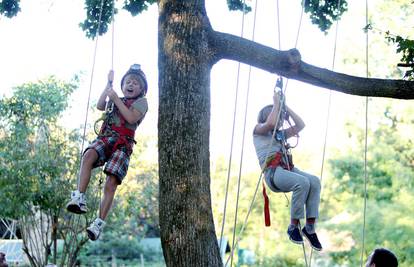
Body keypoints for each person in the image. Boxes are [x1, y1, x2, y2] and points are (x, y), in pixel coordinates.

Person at [66, 64, 149, 241]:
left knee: (111, 182)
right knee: (88, 155)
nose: (131, 85)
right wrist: (108, 84)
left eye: (135, 83)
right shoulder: (115, 98)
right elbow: (100, 105)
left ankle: (98, 224)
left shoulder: (141, 103)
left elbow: (131, 117)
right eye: (128, 82)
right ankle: (79, 196)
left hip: (122, 144)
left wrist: (116, 99)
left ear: (141, 89)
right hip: (106, 137)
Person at [252, 90, 322, 251]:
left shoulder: (280, 134)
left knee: (314, 182)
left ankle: (309, 228)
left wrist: (286, 107)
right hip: (273, 173)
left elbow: (301, 125)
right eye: (276, 114)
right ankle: (293, 226)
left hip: (287, 169)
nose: (279, 118)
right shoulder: (258, 130)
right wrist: (276, 103)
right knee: (302, 183)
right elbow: (270, 123)